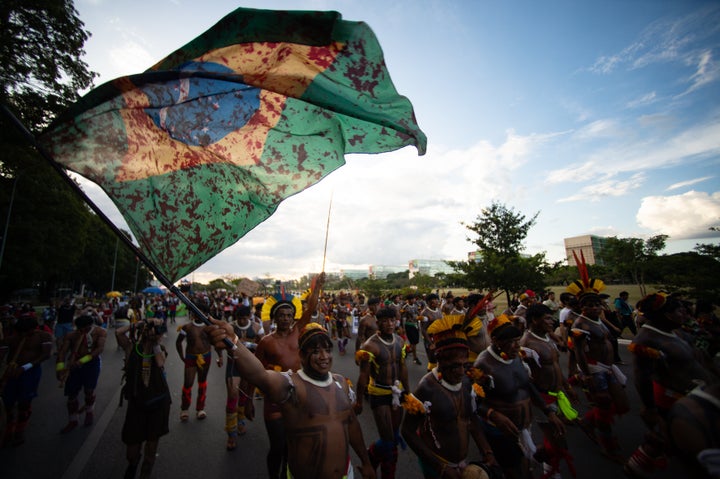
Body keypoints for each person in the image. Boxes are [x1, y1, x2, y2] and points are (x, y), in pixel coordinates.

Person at [207, 317, 375, 479]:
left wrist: (366, 462)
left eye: (327, 350)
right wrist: (234, 342)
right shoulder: (291, 385)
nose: (324, 356)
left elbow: (352, 424)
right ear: (301, 356)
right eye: (316, 352)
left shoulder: (341, 383)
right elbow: (259, 375)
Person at [624, 293, 720, 478]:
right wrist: (650, 408)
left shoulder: (676, 330)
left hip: (701, 396)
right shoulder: (646, 340)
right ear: (667, 315)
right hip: (675, 400)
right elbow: (641, 376)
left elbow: (702, 358)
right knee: (672, 446)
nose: (685, 313)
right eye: (680, 310)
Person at [401, 312, 498, 478]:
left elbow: (471, 418)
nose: (461, 371)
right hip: (437, 465)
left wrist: (487, 451)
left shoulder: (467, 381)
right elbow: (408, 432)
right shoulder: (426, 388)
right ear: (441, 361)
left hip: (463, 463)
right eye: (454, 366)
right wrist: (440, 467)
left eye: (464, 365)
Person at [473, 314, 565, 479]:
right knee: (516, 473)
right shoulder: (483, 364)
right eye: (513, 342)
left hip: (523, 427)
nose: (517, 346)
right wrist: (493, 414)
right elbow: (472, 401)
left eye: (518, 340)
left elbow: (527, 385)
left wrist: (548, 411)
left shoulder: (515, 356)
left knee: (529, 465)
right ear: (495, 340)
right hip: (500, 431)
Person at [254, 273, 325, 478]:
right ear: (274, 318)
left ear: (292, 316)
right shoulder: (266, 342)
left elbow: (310, 309)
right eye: (281, 315)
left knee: (292, 446)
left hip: (298, 396)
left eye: (288, 315)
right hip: (275, 398)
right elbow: (256, 371)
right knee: (277, 446)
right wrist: (246, 401)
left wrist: (317, 287)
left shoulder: (297, 332)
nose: (285, 318)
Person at [568, 278, 629, 462]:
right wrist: (586, 374)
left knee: (621, 404)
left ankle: (587, 422)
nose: (595, 308)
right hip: (594, 370)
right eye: (590, 305)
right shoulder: (580, 324)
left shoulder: (598, 321)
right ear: (582, 307)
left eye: (597, 304)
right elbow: (577, 351)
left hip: (607, 368)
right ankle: (607, 445)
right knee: (603, 406)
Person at [519, 304, 578, 478]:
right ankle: (540, 466)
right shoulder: (526, 344)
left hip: (556, 394)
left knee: (558, 439)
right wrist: (542, 405)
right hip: (540, 397)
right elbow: (525, 379)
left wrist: (567, 387)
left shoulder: (546, 338)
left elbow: (555, 367)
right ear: (534, 320)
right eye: (546, 318)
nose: (551, 321)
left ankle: (540, 463)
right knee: (557, 439)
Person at [355, 307, 410, 479]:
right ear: (378, 323)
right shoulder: (370, 346)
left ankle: (371, 457)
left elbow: (402, 367)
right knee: (387, 441)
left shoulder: (400, 341)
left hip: (396, 393)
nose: (389, 324)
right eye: (385, 321)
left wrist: (408, 392)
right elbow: (363, 375)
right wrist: (358, 401)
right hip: (378, 393)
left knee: (393, 437)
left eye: (392, 320)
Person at [116, 317, 171, 479]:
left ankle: (145, 474)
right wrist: (139, 324)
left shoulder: (159, 348)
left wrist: (154, 343)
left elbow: (160, 363)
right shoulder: (132, 347)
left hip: (158, 403)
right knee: (131, 452)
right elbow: (118, 333)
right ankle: (133, 465)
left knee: (151, 451)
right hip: (137, 405)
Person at [0, 314, 53, 446]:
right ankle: (9, 428)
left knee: (24, 402)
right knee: (8, 402)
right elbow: (1, 356)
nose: (24, 334)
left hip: (30, 372)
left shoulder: (43, 336)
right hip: (11, 372)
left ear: (34, 329)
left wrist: (26, 367)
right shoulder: (11, 337)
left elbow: (45, 355)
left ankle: (19, 430)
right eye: (21, 332)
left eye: (27, 332)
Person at [56, 310, 108, 433]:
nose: (82, 331)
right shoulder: (72, 335)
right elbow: (63, 352)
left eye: (84, 329)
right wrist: (60, 368)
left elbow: (99, 349)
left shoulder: (100, 332)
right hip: (74, 366)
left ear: (90, 326)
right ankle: (73, 420)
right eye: (79, 329)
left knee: (89, 390)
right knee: (72, 394)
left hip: (90, 364)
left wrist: (82, 361)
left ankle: (89, 411)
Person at [224, 304, 263, 451]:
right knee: (232, 395)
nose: (241, 321)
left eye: (243, 318)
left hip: (249, 365)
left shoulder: (256, 327)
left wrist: (247, 344)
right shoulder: (230, 327)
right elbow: (222, 343)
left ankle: (240, 421)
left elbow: (263, 344)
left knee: (244, 395)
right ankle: (231, 433)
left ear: (249, 317)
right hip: (233, 365)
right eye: (238, 318)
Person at [176, 300, 222, 421]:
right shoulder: (187, 327)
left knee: (202, 382)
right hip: (191, 357)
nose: (199, 315)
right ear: (193, 314)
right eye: (197, 312)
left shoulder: (209, 328)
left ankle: (200, 408)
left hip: (205, 357)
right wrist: (182, 357)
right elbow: (178, 342)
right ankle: (185, 409)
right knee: (188, 383)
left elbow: (216, 343)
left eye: (202, 313)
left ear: (206, 314)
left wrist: (220, 356)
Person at [419, 293, 443, 371]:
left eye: (437, 299)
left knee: (441, 358)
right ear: (428, 302)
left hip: (439, 337)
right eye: (434, 299)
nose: (436, 301)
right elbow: (423, 330)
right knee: (432, 360)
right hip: (430, 338)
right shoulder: (425, 313)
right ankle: (430, 378)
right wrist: (430, 343)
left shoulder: (439, 310)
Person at [402, 294, 422, 365]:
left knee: (415, 342)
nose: (413, 300)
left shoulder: (416, 306)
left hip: (415, 325)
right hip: (409, 326)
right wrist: (403, 328)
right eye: (412, 299)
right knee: (413, 342)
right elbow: (403, 318)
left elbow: (419, 315)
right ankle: (415, 358)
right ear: (408, 300)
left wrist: (419, 325)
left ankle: (407, 350)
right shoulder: (405, 307)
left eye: (414, 299)